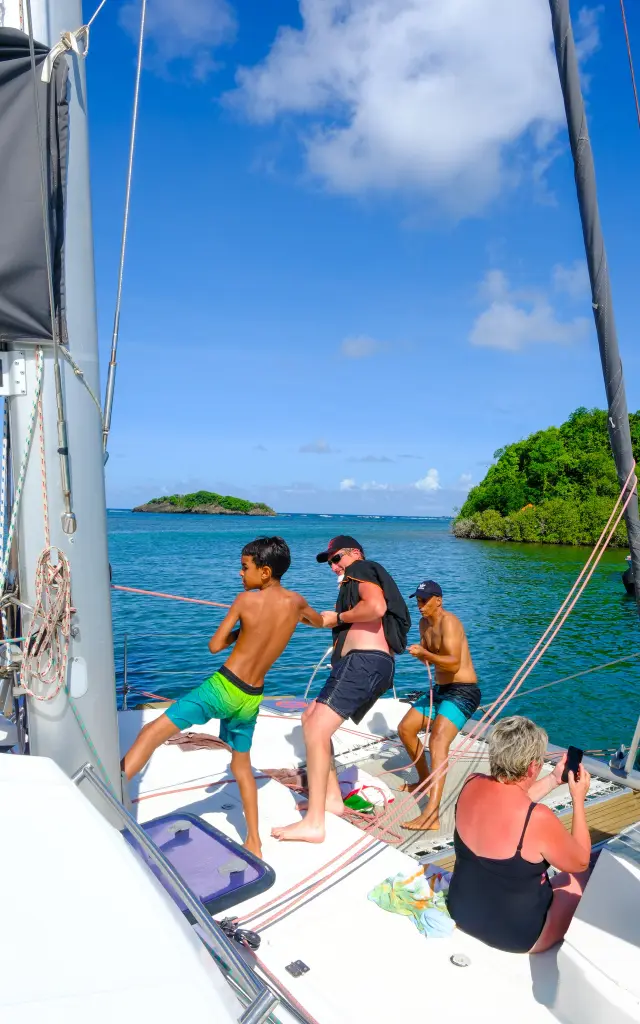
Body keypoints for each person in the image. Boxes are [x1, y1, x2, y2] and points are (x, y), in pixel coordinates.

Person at [122, 537, 323, 859]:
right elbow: (319, 621)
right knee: (241, 765)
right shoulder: (297, 603)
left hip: (222, 688)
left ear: (265, 571)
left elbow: (215, 646)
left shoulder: (245, 601)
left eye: (245, 567)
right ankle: (254, 842)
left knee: (149, 734)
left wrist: (240, 633)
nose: (240, 574)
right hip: (251, 698)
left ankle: (105, 802)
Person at [272, 534, 411, 844]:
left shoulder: (361, 569)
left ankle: (314, 823)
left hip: (364, 662)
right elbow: (328, 621)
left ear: (355, 553)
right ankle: (332, 800)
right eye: (330, 562)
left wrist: (341, 616)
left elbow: (375, 607)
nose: (334, 566)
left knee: (317, 729)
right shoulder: (349, 589)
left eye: (338, 558)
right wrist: (294, 613)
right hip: (362, 665)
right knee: (310, 719)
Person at [447, 715, 592, 953]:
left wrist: (554, 780)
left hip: (461, 912)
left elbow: (510, 806)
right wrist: (578, 799)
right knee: (578, 883)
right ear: (533, 766)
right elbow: (580, 861)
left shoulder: (471, 784)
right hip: (516, 937)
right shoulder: (538, 818)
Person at [398, 580, 481, 832]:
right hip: (441, 691)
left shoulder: (450, 622)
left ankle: (432, 815)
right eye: (418, 601)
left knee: (437, 741)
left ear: (438, 600)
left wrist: (426, 656)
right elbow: (430, 656)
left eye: (424, 601)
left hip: (464, 691)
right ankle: (424, 780)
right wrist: (417, 652)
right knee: (405, 729)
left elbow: (453, 664)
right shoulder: (424, 624)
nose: (420, 606)